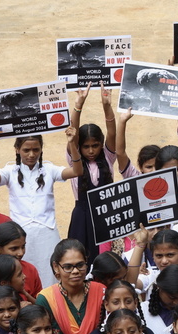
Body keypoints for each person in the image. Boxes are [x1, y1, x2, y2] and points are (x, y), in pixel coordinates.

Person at [0, 128, 84, 286]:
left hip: (48, 234)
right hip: (22, 238)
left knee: (50, 277)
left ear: (41, 149)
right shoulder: (10, 171)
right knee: (23, 276)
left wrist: (72, 144)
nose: (31, 154)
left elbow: (77, 171)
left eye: (36, 149)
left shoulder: (49, 170)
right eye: (26, 150)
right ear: (17, 149)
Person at [66, 83, 125, 266]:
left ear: (101, 144)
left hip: (106, 215)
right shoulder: (74, 159)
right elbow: (73, 134)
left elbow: (112, 131)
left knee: (106, 262)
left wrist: (107, 106)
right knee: (80, 260)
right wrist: (78, 105)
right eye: (86, 146)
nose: (91, 150)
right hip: (81, 217)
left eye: (95, 145)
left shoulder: (108, 157)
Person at [36, 239, 105, 334]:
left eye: (80, 265)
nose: (75, 271)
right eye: (68, 267)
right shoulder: (46, 299)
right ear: (56, 267)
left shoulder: (101, 292)